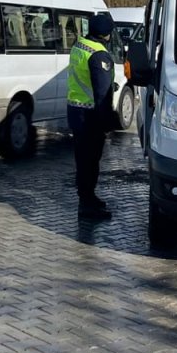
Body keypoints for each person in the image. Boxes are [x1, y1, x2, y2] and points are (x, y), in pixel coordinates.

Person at [67, 13, 116, 220]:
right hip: (91, 116)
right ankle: (87, 205)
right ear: (107, 33)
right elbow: (102, 94)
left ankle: (87, 197)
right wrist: (107, 122)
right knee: (91, 161)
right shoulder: (99, 54)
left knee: (82, 158)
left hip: (75, 111)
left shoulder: (79, 46)